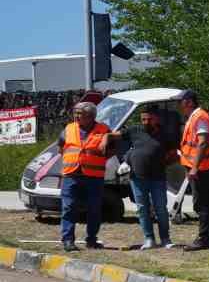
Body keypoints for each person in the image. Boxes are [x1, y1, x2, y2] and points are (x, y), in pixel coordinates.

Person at [54, 101, 119, 251]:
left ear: (91, 116)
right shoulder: (69, 128)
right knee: (69, 208)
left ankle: (91, 240)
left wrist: (95, 159)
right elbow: (61, 149)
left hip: (94, 176)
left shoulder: (103, 130)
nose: (76, 117)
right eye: (75, 114)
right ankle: (68, 241)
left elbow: (113, 150)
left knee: (94, 209)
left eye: (80, 115)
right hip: (71, 175)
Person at [178, 90, 209, 251]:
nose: (179, 105)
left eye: (181, 101)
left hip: (203, 168)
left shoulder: (200, 117)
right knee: (208, 203)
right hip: (203, 167)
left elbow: (203, 142)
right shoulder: (195, 117)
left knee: (202, 204)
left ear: (189, 102)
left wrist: (194, 168)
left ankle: (203, 239)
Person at [126, 107, 177, 249]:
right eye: (143, 119)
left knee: (161, 208)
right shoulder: (134, 130)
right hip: (137, 178)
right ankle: (149, 239)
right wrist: (106, 138)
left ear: (157, 119)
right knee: (142, 209)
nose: (146, 122)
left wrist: (163, 163)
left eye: (149, 119)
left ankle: (165, 239)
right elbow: (116, 137)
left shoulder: (166, 134)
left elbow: (173, 154)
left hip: (158, 178)